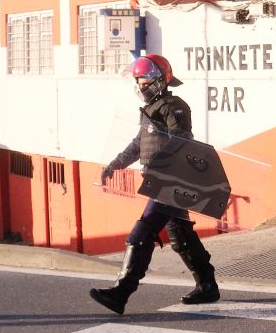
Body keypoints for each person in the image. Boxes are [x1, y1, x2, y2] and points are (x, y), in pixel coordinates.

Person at [90, 54, 220, 314]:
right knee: (181, 235)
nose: (140, 84)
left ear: (160, 80)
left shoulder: (175, 106)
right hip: (158, 179)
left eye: (145, 79)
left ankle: (121, 292)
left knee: (142, 232)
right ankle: (207, 286)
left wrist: (162, 164)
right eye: (138, 79)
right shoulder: (150, 111)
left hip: (170, 179)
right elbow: (139, 144)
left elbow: (181, 140)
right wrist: (114, 165)